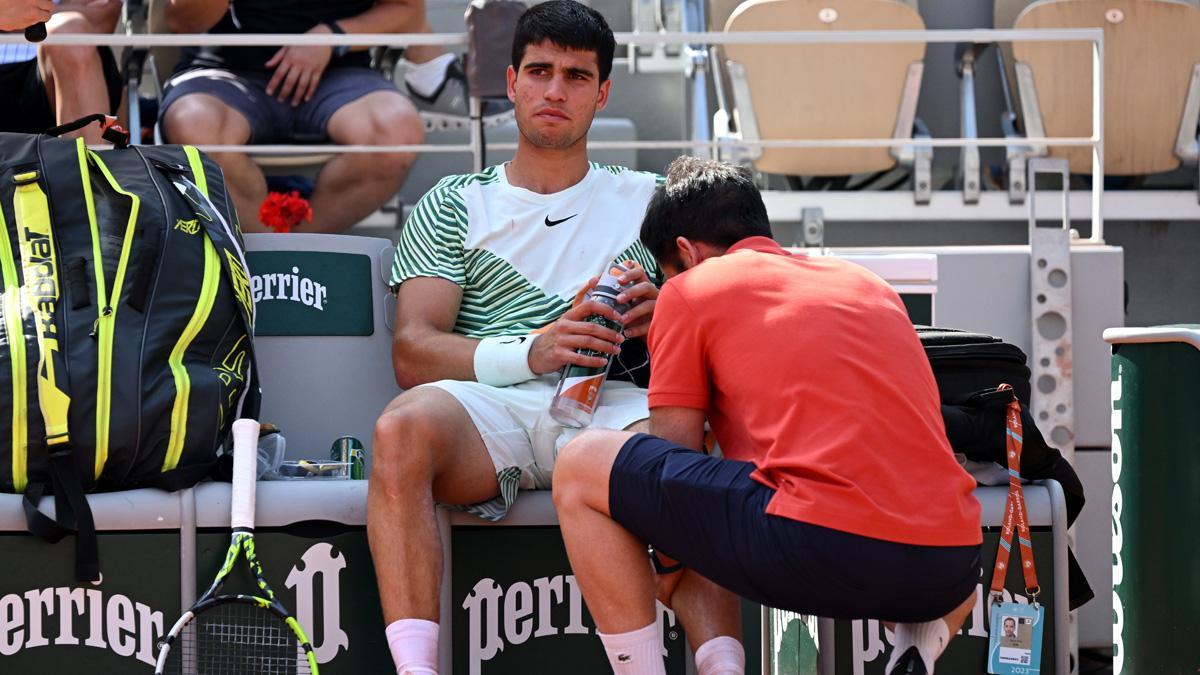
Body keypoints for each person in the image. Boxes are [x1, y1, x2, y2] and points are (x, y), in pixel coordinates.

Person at [367, 3, 743, 674]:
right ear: (511, 81)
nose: (553, 90)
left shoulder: (658, 199)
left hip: (621, 405)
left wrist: (675, 311)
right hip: (493, 408)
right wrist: (535, 350)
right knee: (400, 430)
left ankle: (723, 664)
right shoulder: (452, 201)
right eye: (539, 71)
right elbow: (413, 350)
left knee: (691, 450)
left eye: (575, 76)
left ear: (602, 93)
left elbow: (730, 342)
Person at [552, 156, 984, 675]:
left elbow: (674, 457)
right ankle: (916, 648)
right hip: (953, 565)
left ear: (686, 253)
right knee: (913, 554)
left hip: (820, 544)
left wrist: (667, 569)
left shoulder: (688, 290)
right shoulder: (869, 284)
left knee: (581, 464)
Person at [160, 0, 425, 233]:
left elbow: (408, 12)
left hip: (338, 74)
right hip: (221, 73)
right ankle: (265, 250)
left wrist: (329, 38)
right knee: (195, 124)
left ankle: (298, 250)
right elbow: (181, 20)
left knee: (397, 132)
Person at [0, 0, 124, 146]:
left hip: (45, 70)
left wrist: (18, 11)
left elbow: (103, 13)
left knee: (72, 34)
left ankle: (90, 166)